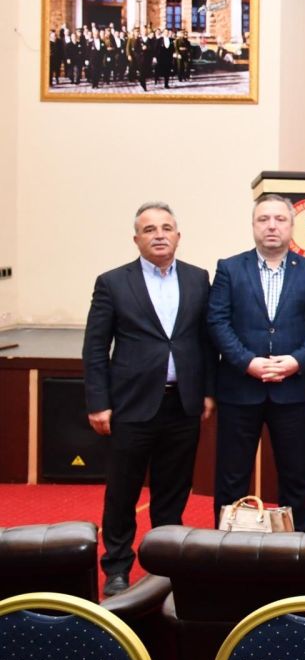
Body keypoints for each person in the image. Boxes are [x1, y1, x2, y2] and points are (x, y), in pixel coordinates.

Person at [83, 201, 215, 595]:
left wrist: (208, 391)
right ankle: (117, 566)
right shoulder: (112, 282)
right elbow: (95, 348)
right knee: (122, 492)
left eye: (166, 228)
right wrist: (97, 402)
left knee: (172, 493)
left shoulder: (197, 278)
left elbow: (206, 341)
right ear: (136, 239)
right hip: (130, 405)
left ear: (178, 235)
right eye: (149, 229)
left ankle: (164, 567)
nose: (159, 235)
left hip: (183, 404)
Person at [208, 193, 305, 532]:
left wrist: (297, 361)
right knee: (232, 475)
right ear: (253, 225)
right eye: (264, 219)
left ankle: (295, 544)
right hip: (240, 389)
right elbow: (217, 321)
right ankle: (226, 544)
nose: (272, 226)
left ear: (291, 226)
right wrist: (247, 362)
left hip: (291, 391)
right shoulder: (230, 268)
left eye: (280, 219)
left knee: (295, 475)